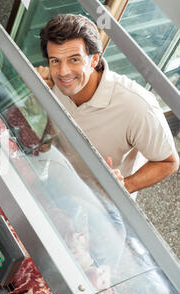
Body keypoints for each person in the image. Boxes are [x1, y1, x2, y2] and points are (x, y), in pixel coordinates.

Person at [35, 14, 179, 197]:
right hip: (60, 181)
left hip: (101, 201)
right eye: (55, 60)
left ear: (94, 60)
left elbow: (169, 162)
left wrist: (125, 185)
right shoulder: (51, 83)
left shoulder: (138, 106)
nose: (63, 72)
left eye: (74, 59)